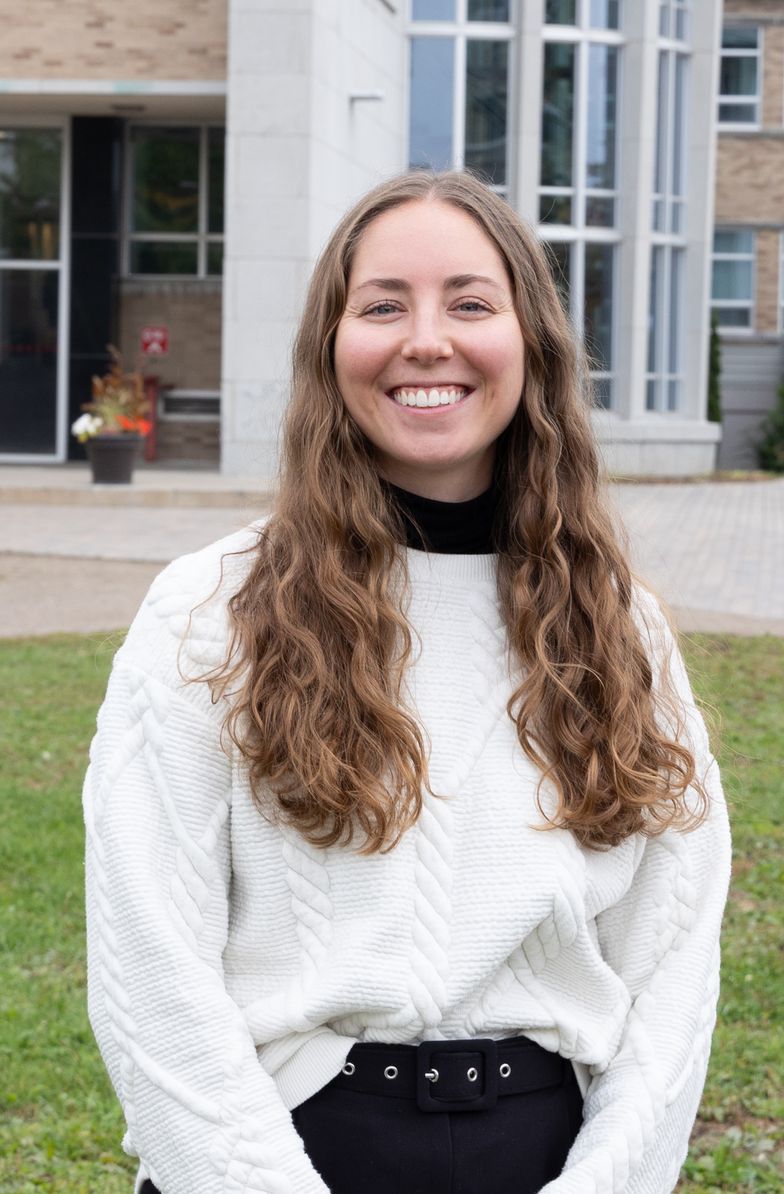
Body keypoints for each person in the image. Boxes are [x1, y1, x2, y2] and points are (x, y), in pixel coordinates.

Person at [81, 170, 731, 1194]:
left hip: (549, 1154)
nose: (426, 341)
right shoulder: (205, 612)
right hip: (279, 1144)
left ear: (532, 342)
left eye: (470, 303)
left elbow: (674, 965)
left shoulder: (618, 626)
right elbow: (149, 970)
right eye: (383, 305)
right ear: (330, 345)